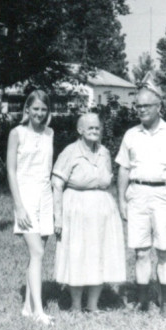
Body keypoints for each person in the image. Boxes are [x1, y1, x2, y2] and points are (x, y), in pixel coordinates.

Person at [116, 79, 166, 317]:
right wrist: (121, 200)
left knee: (164, 251)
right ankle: (142, 301)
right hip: (137, 194)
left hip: (165, 194)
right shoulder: (131, 134)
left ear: (158, 106)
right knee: (140, 251)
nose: (141, 110)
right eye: (138, 106)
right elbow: (124, 169)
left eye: (146, 106)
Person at [52, 113, 126, 313]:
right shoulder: (70, 152)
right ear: (80, 130)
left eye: (97, 128)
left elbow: (106, 182)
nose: (95, 131)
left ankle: (93, 305)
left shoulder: (105, 152)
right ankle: (76, 305)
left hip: (101, 209)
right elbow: (57, 185)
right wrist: (57, 217)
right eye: (90, 128)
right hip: (76, 208)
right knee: (77, 254)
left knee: (99, 254)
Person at [6, 90, 55, 325]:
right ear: (27, 109)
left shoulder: (50, 133)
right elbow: (11, 170)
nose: (39, 113)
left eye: (43, 109)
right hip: (25, 196)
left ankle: (27, 306)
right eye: (35, 108)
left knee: (37, 255)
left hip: (45, 196)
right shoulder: (16, 133)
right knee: (37, 252)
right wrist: (19, 206)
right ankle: (38, 311)